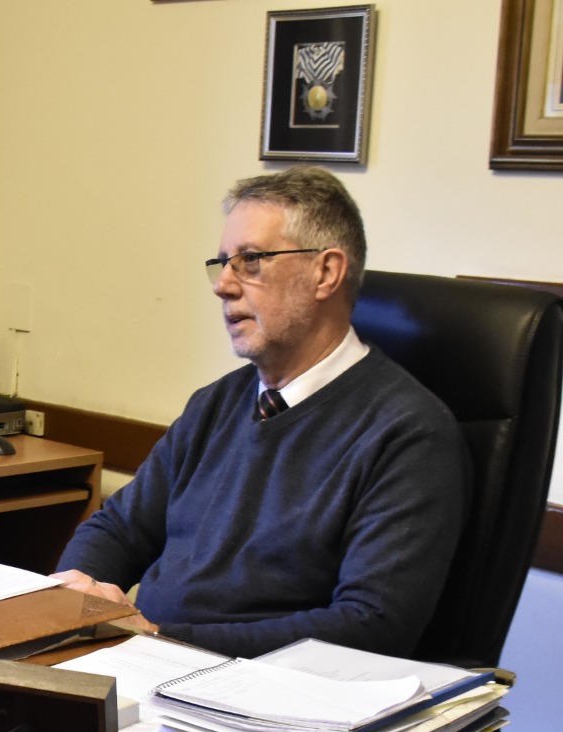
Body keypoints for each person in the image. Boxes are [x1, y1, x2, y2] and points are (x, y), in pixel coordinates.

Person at [52, 167, 469, 659]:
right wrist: (77, 599)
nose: (223, 285)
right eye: (223, 263)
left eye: (250, 261)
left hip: (265, 702)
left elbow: (371, 626)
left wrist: (161, 639)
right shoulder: (216, 403)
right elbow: (120, 529)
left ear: (326, 273)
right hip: (155, 664)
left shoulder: (408, 434)